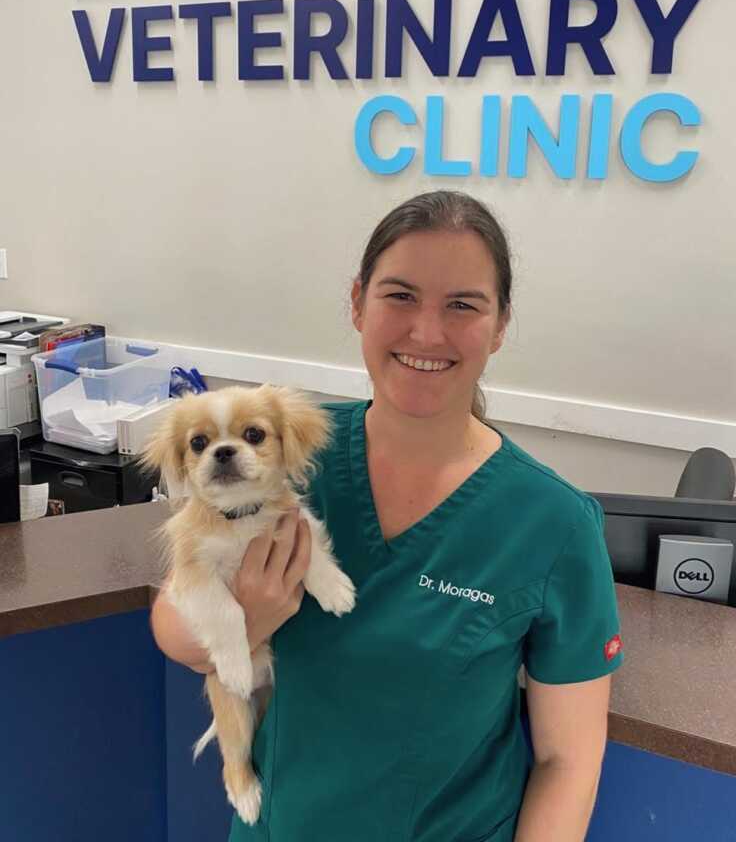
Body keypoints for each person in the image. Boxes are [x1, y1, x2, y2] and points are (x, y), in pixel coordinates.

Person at [151, 189, 623, 842]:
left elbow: (565, 759)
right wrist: (245, 616)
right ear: (357, 303)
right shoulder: (280, 458)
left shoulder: (551, 524)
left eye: (463, 305)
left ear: (500, 325)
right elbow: (176, 635)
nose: (427, 332)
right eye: (399, 296)